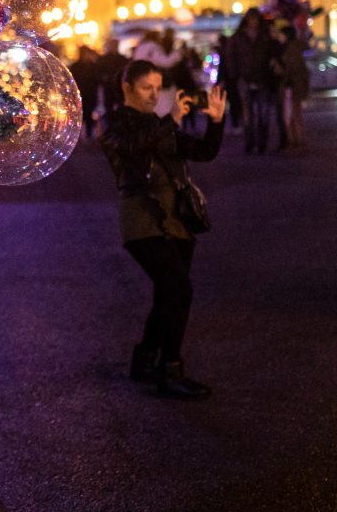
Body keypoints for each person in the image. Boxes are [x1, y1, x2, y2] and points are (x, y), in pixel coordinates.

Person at [100, 59, 227, 398]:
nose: (154, 95)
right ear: (127, 88)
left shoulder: (160, 123)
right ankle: (170, 369)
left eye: (158, 88)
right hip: (141, 218)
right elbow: (132, 147)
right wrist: (170, 120)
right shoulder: (113, 122)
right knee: (178, 289)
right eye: (147, 88)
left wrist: (215, 121)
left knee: (168, 292)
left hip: (176, 219)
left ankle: (145, 359)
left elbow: (203, 151)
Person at [229, 10, 275, 154]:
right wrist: (236, 75)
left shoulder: (265, 36)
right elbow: (230, 56)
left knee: (263, 114)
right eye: (251, 19)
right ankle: (250, 142)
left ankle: (262, 143)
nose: (253, 22)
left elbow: (272, 54)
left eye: (256, 19)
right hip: (245, 79)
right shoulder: (238, 37)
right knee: (248, 114)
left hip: (263, 79)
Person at [280, 26, 311, 151]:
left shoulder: (291, 49)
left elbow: (292, 69)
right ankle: (297, 140)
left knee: (292, 115)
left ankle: (296, 141)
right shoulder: (295, 48)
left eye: (281, 34)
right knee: (294, 115)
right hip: (294, 86)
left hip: (291, 86)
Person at [69, 43, 102, 140]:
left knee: (88, 114)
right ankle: (80, 134)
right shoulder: (77, 66)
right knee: (81, 114)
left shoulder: (92, 66)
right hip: (81, 93)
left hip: (90, 93)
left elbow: (97, 78)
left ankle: (88, 134)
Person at [96, 39, 128, 117]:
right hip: (109, 86)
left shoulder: (122, 59)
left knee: (120, 105)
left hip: (118, 86)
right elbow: (99, 72)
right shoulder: (104, 59)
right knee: (109, 106)